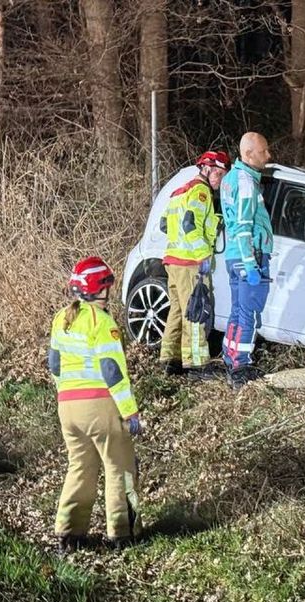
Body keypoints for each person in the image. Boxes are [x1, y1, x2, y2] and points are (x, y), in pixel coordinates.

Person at [48, 257, 143, 550]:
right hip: (100, 406)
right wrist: (131, 412)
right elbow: (113, 373)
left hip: (67, 408)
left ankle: (68, 534)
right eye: (108, 288)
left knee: (80, 467)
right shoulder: (102, 323)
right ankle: (123, 534)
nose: (109, 294)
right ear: (99, 290)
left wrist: (67, 393)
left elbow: (54, 365)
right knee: (120, 467)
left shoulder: (61, 318)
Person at [159, 150, 230, 378]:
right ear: (207, 168)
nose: (220, 180)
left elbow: (164, 225)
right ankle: (197, 364)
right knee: (196, 312)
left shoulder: (179, 191)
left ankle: (170, 360)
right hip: (190, 262)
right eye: (219, 173)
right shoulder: (200, 191)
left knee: (178, 311)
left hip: (172, 260)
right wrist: (203, 256)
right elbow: (190, 225)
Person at [220, 131, 274, 389]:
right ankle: (241, 367)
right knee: (249, 313)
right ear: (249, 153)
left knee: (238, 310)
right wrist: (251, 264)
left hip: (234, 256)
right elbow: (243, 226)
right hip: (247, 256)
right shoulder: (245, 183)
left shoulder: (231, 178)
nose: (268, 155)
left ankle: (230, 357)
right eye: (264, 151)